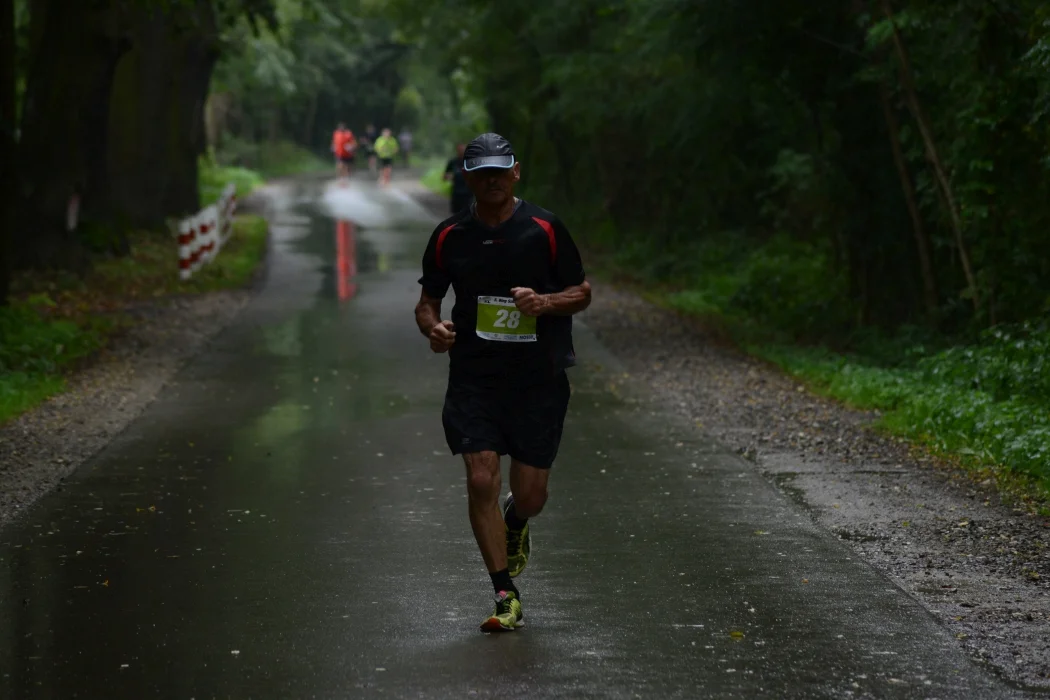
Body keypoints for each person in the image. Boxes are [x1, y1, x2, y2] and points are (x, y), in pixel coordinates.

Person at [414, 133, 592, 632]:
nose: (491, 179)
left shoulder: (545, 229)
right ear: (466, 177)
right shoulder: (450, 235)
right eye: (481, 171)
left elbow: (582, 290)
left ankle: (516, 521)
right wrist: (435, 328)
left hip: (538, 378)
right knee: (480, 478)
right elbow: (427, 301)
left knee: (531, 496)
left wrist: (546, 303)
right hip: (475, 377)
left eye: (500, 170)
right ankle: (504, 594)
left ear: (515, 172)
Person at [443, 143, 472, 215]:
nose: (461, 152)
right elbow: (445, 176)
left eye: (463, 150)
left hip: (468, 194)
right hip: (456, 193)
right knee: (456, 215)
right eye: (460, 150)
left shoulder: (470, 162)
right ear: (457, 150)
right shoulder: (453, 162)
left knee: (467, 214)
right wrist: (449, 176)